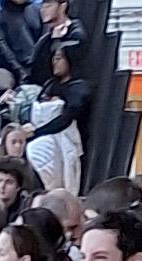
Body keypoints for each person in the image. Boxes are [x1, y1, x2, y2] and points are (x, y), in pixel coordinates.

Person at [25, 44, 87, 195]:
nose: (55, 62)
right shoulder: (50, 84)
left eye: (59, 58)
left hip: (61, 136)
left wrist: (38, 131)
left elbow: (66, 117)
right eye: (53, 58)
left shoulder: (79, 87)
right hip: (42, 131)